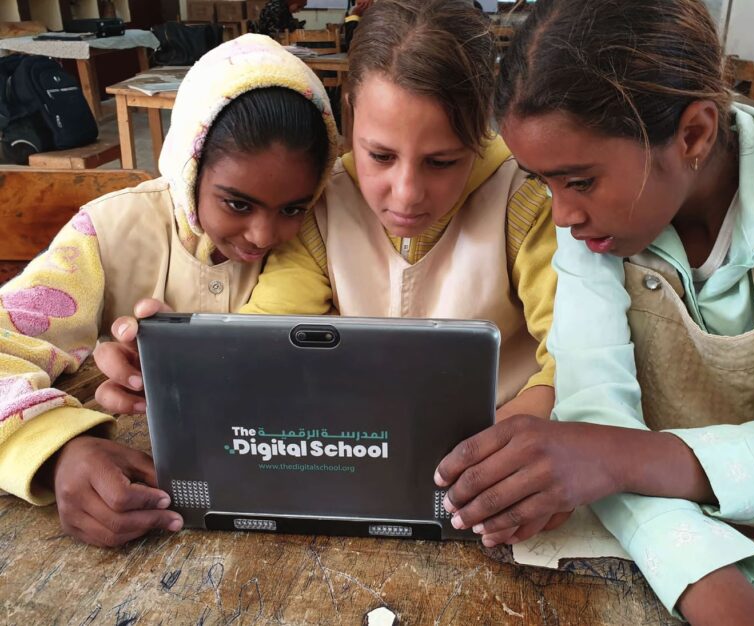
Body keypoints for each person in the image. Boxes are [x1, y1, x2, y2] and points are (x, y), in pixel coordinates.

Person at [433, 0, 754, 624]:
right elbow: (595, 418)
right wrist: (706, 579)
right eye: (544, 182)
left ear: (693, 135)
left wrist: (617, 457)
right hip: (651, 554)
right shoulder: (594, 228)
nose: (562, 215)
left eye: (580, 181)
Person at [98, 0, 558, 429]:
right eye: (380, 156)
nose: (406, 194)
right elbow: (265, 335)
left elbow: (574, 353)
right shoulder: (323, 207)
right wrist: (181, 362)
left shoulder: (523, 202)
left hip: (501, 442)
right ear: (349, 117)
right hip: (357, 444)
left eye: (442, 162)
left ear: (482, 126)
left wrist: (521, 423)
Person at [0, 33, 338, 547]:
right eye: (237, 204)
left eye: (293, 207)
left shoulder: (321, 239)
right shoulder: (106, 232)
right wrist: (57, 448)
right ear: (189, 166)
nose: (263, 235)